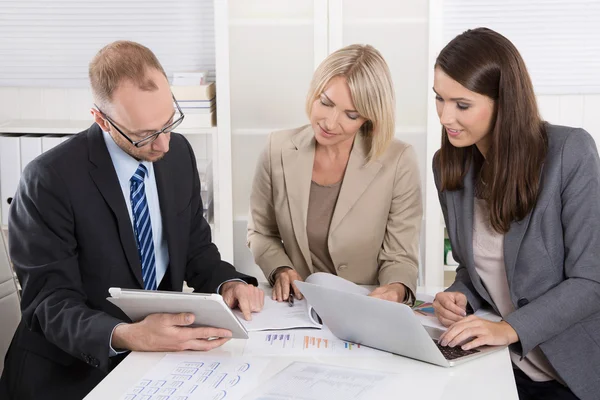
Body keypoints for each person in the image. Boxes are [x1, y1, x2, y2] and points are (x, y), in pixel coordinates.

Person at [0, 41, 264, 400]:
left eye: (169, 122)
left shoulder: (179, 155)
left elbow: (196, 250)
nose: (163, 145)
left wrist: (227, 282)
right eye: (144, 135)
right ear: (101, 120)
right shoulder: (48, 180)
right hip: (69, 373)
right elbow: (50, 304)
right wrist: (128, 334)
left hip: (153, 362)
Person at [431, 28, 600, 400]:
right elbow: (473, 270)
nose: (445, 116)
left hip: (572, 372)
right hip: (500, 367)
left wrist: (510, 328)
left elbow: (591, 281)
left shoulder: (570, 152)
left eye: (462, 104)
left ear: (503, 101)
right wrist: (460, 297)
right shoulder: (448, 165)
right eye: (439, 99)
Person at [247, 44, 422, 304]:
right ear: (314, 92)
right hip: (301, 304)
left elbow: (400, 255)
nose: (329, 123)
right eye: (325, 103)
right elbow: (261, 232)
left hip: (366, 304)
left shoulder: (398, 160)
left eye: (351, 115)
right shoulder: (277, 149)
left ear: (369, 119)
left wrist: (395, 289)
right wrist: (280, 268)